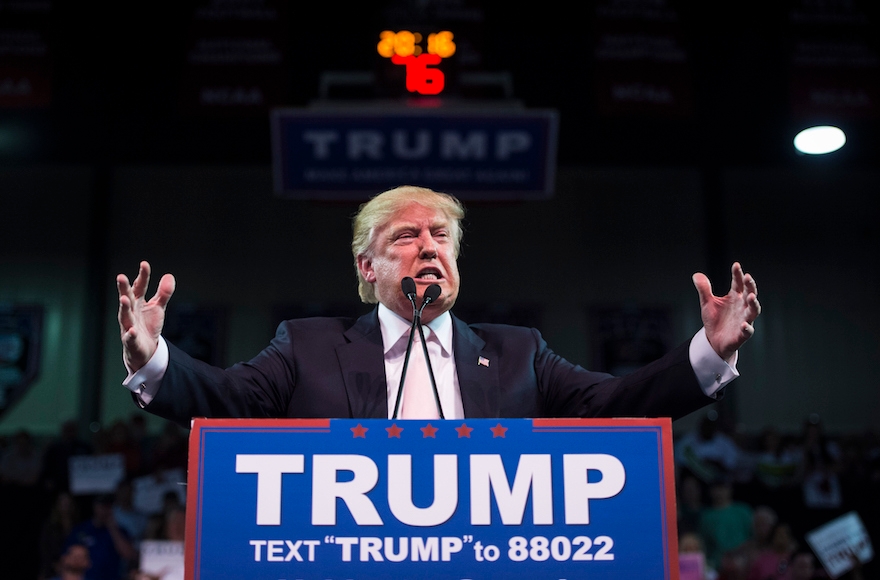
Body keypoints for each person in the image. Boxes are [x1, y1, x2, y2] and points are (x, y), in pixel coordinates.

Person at [116, 185, 760, 426]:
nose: (429, 248)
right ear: (367, 269)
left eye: (441, 236)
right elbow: (229, 402)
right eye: (406, 236)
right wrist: (153, 359)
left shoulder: (518, 353)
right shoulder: (305, 346)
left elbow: (615, 405)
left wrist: (709, 352)